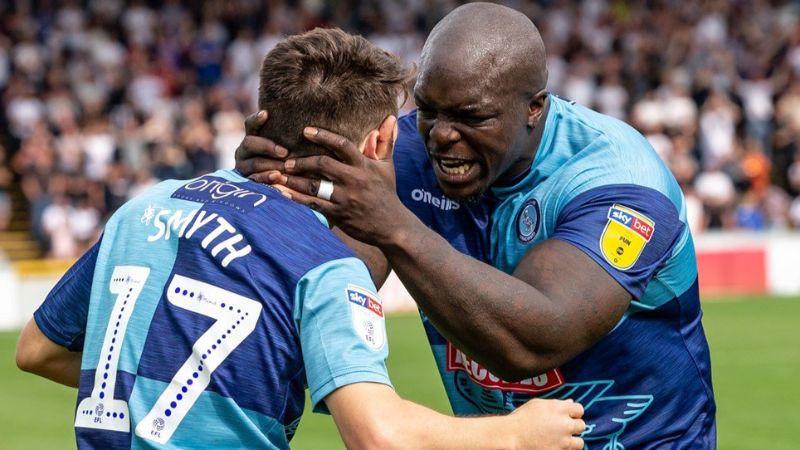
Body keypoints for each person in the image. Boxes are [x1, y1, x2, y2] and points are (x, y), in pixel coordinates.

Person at [15, 28, 586, 450]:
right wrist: (514, 433)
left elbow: (37, 349)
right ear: (381, 141)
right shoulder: (325, 265)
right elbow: (377, 435)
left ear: (263, 117)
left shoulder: (145, 206)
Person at [235, 3, 716, 449]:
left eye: (472, 117)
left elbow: (534, 342)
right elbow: (330, 283)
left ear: (534, 107)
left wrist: (394, 225)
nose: (441, 134)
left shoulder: (618, 183)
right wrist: (262, 190)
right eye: (427, 110)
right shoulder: (408, 155)